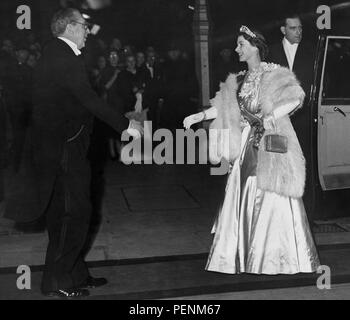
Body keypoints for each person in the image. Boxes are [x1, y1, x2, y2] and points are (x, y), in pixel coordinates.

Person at [5, 8, 143, 298]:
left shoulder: (59, 54)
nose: (87, 33)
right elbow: (88, 98)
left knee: (69, 213)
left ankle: (74, 273)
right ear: (69, 27)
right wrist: (125, 124)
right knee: (73, 213)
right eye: (83, 27)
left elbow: (75, 101)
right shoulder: (62, 56)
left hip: (64, 146)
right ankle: (58, 281)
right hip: (64, 147)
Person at [184, 26, 320, 275]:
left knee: (273, 195)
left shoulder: (273, 73)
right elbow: (223, 107)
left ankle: (278, 257)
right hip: (248, 144)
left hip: (271, 143)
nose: (237, 49)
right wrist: (199, 115)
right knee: (245, 192)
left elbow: (296, 97)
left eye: (241, 45)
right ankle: (248, 254)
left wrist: (273, 114)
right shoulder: (237, 79)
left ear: (255, 46)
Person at [269, 14, 315, 216]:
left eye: (300, 28)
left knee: (303, 164)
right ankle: (280, 213)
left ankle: (305, 214)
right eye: (293, 28)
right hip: (279, 118)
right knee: (279, 163)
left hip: (304, 118)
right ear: (283, 30)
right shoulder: (270, 51)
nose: (299, 32)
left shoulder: (311, 50)